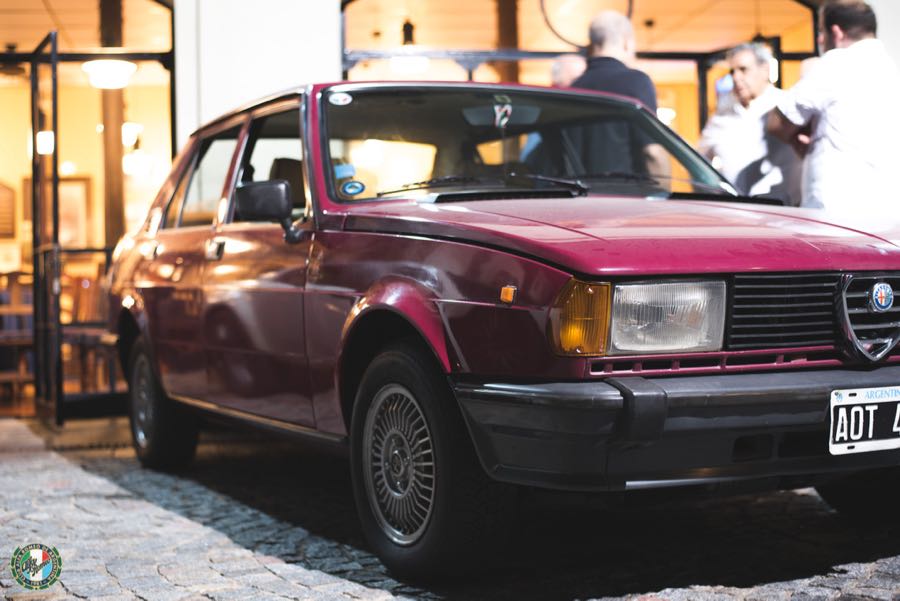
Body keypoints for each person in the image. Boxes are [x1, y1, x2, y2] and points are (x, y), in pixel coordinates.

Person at [766, 0, 900, 215]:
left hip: (837, 209)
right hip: (886, 209)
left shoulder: (835, 63)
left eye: (821, 31)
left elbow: (776, 123)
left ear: (836, 32)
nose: (819, 39)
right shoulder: (891, 68)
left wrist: (798, 136)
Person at [569, 10, 669, 179]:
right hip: (627, 192)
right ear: (626, 42)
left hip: (580, 192)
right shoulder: (636, 82)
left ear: (593, 44)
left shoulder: (574, 88)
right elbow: (653, 153)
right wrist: (665, 191)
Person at [698, 43, 801, 205]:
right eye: (732, 71)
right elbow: (698, 161)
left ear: (765, 70)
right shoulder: (721, 117)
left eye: (743, 69)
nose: (736, 77)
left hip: (782, 211)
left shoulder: (788, 106)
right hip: (733, 211)